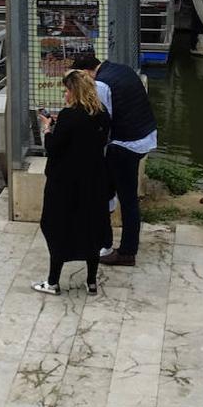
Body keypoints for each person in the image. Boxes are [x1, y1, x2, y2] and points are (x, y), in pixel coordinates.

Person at [32, 70, 113, 296]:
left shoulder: (69, 117)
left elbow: (54, 147)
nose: (64, 94)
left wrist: (47, 128)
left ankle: (53, 281)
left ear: (74, 92)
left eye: (67, 90)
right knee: (90, 227)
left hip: (66, 183)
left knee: (57, 226)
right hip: (94, 181)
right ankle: (91, 281)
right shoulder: (102, 114)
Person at [71, 55, 158, 267]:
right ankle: (102, 240)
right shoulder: (123, 69)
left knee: (126, 199)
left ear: (86, 72)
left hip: (124, 145)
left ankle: (127, 252)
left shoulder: (101, 84)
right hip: (144, 137)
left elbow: (101, 121)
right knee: (107, 191)